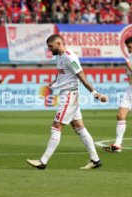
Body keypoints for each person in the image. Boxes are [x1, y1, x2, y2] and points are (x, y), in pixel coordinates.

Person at [27, 34, 108, 170]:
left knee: (56, 126)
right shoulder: (60, 57)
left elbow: (81, 76)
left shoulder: (70, 57)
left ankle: (43, 161)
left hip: (70, 95)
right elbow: (62, 74)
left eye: (51, 46)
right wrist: (55, 82)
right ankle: (95, 160)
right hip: (68, 94)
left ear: (59, 43)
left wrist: (95, 93)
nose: (49, 49)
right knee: (79, 128)